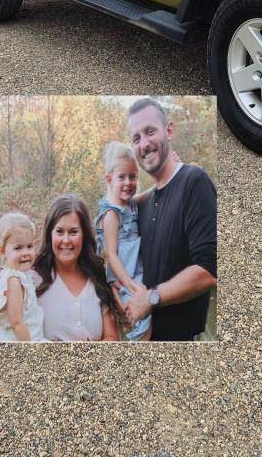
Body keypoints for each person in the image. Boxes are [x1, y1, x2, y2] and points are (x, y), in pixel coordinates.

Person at [123, 98, 217, 341]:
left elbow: (209, 269)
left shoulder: (194, 183)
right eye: (136, 138)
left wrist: (151, 297)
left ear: (169, 131)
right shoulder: (143, 205)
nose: (144, 144)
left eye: (150, 132)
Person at [33, 194, 119, 342]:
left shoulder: (97, 276)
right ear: (49, 234)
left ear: (84, 235)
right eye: (59, 231)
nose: (66, 240)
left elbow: (112, 337)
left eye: (73, 232)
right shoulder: (32, 278)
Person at [95, 142, 151, 341]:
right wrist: (128, 283)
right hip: (126, 277)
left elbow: (148, 195)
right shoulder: (112, 214)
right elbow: (110, 255)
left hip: (137, 273)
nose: (128, 182)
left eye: (133, 176)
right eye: (122, 177)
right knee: (143, 319)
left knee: (148, 315)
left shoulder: (130, 204)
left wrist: (168, 179)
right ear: (109, 179)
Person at [0, 212, 45, 342]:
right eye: (18, 248)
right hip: (23, 341)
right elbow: (16, 324)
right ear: (2, 251)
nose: (26, 252)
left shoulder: (12, 275)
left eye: (29, 246)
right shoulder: (14, 281)